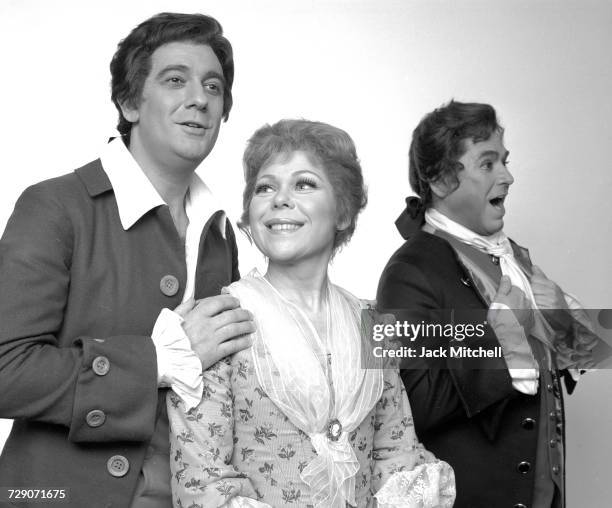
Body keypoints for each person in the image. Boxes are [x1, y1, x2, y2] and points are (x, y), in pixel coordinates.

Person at [0, 12, 254, 508]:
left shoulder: (221, 233)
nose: (199, 98)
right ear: (128, 101)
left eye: (214, 86)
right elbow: (5, 367)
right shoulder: (55, 206)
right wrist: (159, 360)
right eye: (175, 80)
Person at [167, 119, 456, 507]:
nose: (279, 199)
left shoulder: (372, 323)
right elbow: (202, 480)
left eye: (304, 184)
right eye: (264, 187)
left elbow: (396, 454)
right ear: (249, 215)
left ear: (342, 211)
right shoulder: (219, 321)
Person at [377, 100, 604, 508]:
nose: (509, 176)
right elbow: (411, 406)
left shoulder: (513, 259)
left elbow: (570, 349)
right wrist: (504, 343)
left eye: (505, 160)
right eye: (488, 164)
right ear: (441, 179)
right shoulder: (406, 272)